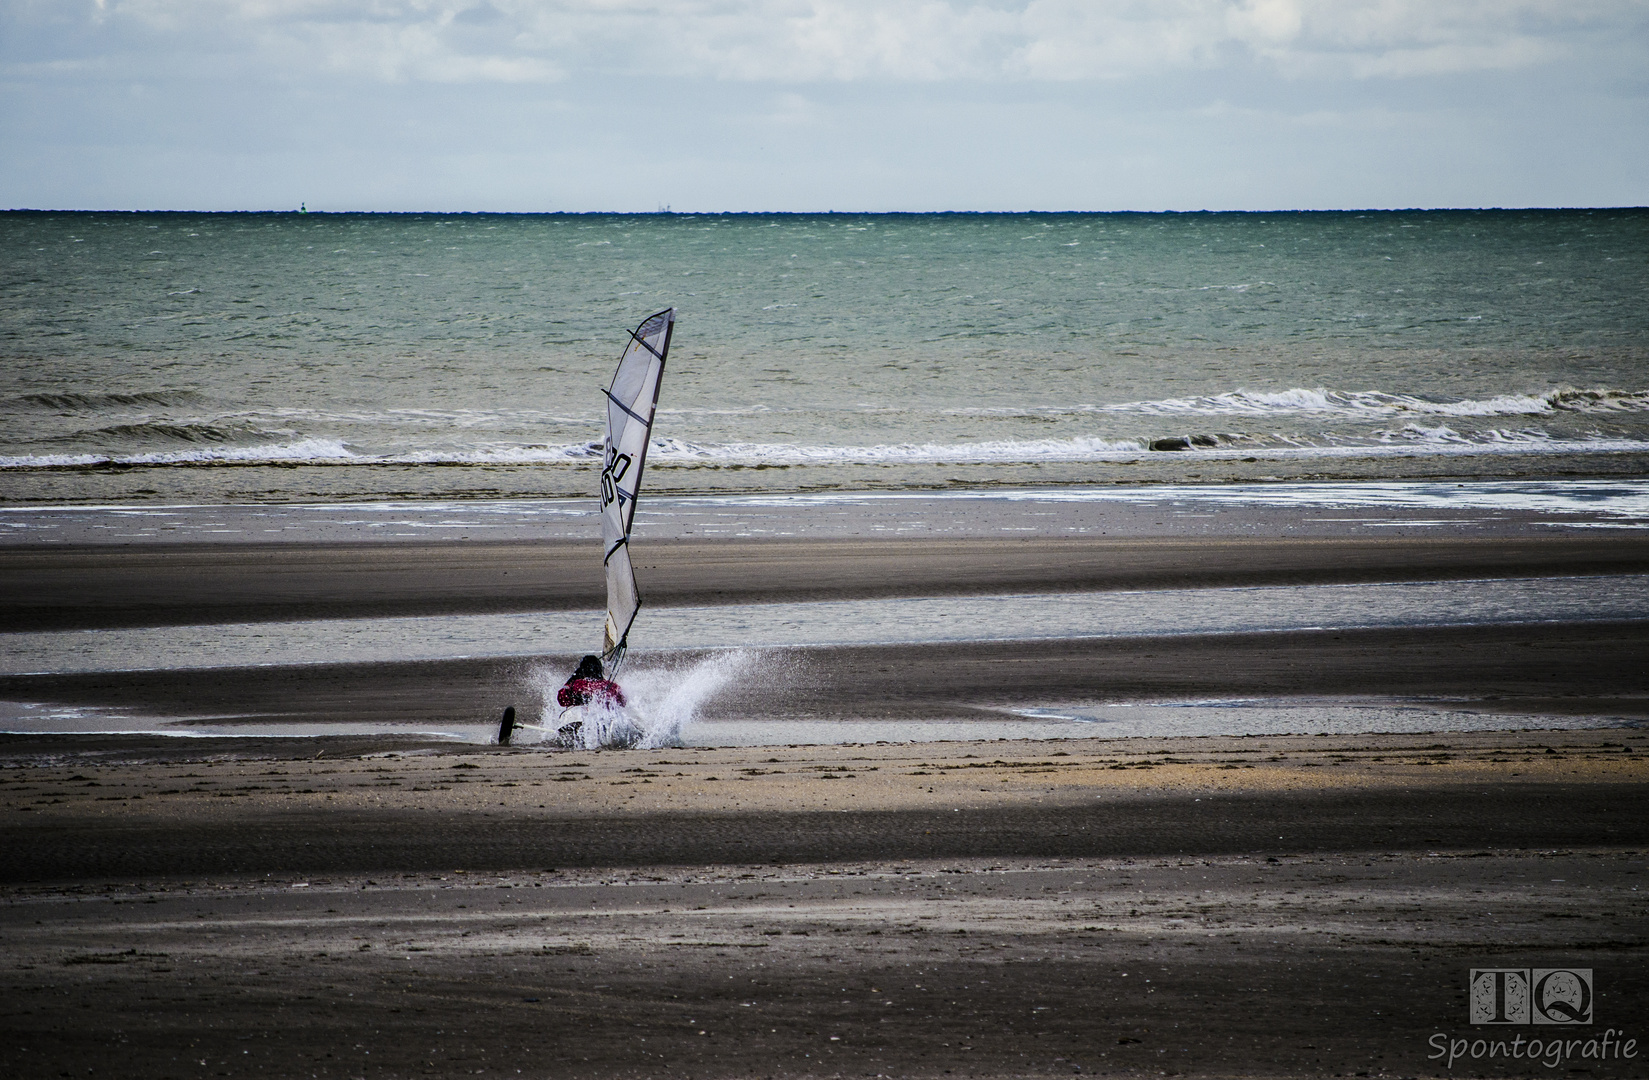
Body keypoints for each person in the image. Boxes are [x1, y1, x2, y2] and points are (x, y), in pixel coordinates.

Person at [557, 654, 626, 709]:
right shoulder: (612, 686)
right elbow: (623, 702)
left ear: (583, 671)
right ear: (600, 670)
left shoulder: (579, 684)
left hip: (588, 720)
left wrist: (574, 676)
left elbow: (561, 699)